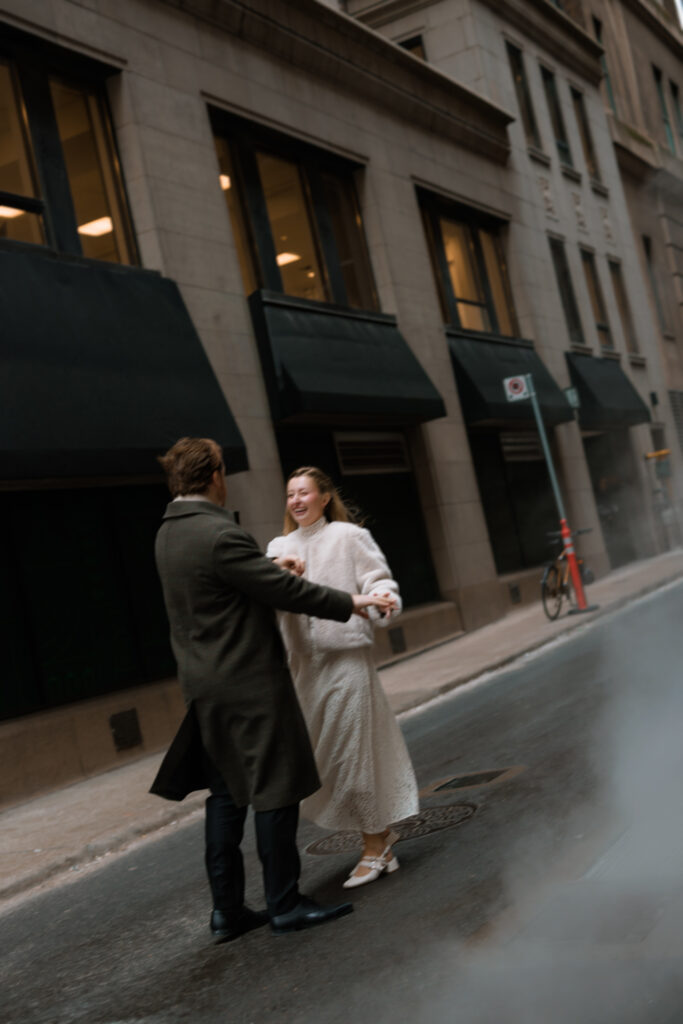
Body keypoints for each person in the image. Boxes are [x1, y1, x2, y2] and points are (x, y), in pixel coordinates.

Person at [150, 438, 394, 942]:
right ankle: (284, 903)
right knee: (275, 792)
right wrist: (352, 601)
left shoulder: (168, 534)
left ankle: (228, 912)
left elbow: (224, 592)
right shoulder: (219, 532)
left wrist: (269, 571)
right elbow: (286, 593)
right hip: (247, 683)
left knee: (223, 798)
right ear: (214, 474)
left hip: (202, 686)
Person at [267, 467, 419, 889]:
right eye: (290, 494)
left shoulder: (348, 536)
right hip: (304, 669)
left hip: (347, 661)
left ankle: (375, 848)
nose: (296, 500)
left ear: (323, 496)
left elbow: (378, 580)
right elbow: (265, 595)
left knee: (355, 756)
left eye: (304, 493)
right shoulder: (278, 547)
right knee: (329, 762)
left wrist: (384, 599)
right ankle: (380, 833)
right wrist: (282, 574)